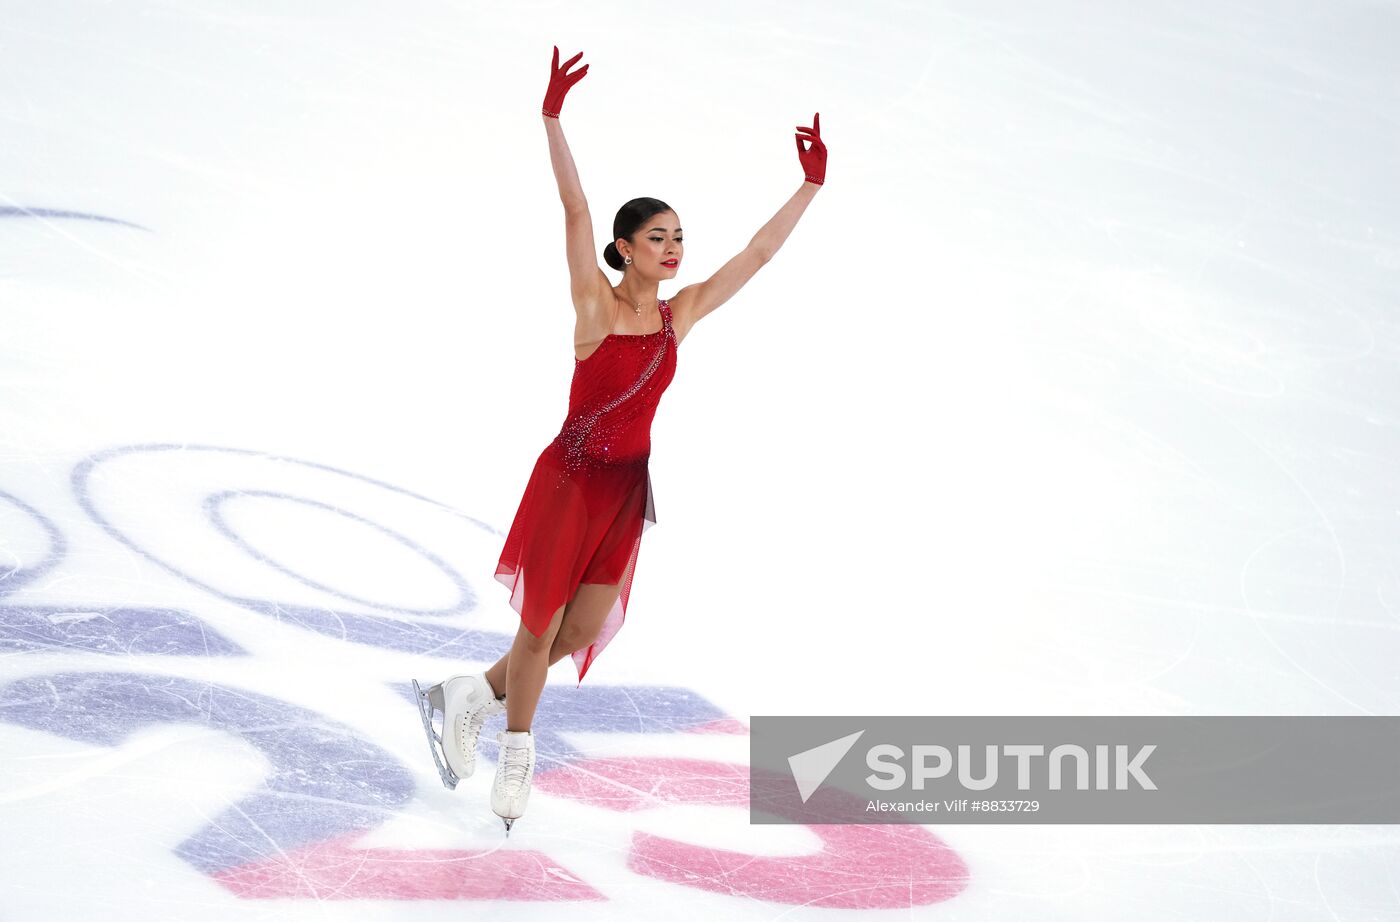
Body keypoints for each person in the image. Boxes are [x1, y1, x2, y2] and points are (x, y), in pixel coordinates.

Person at [414, 45, 827, 834]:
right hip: (570, 480)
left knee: (577, 629)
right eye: (660, 238)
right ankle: (516, 751)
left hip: (626, 488)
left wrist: (807, 186)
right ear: (626, 247)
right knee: (538, 630)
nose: (675, 249)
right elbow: (574, 211)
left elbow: (759, 253)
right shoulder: (596, 311)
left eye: (679, 237)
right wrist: (551, 119)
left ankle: (470, 691)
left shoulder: (684, 315)